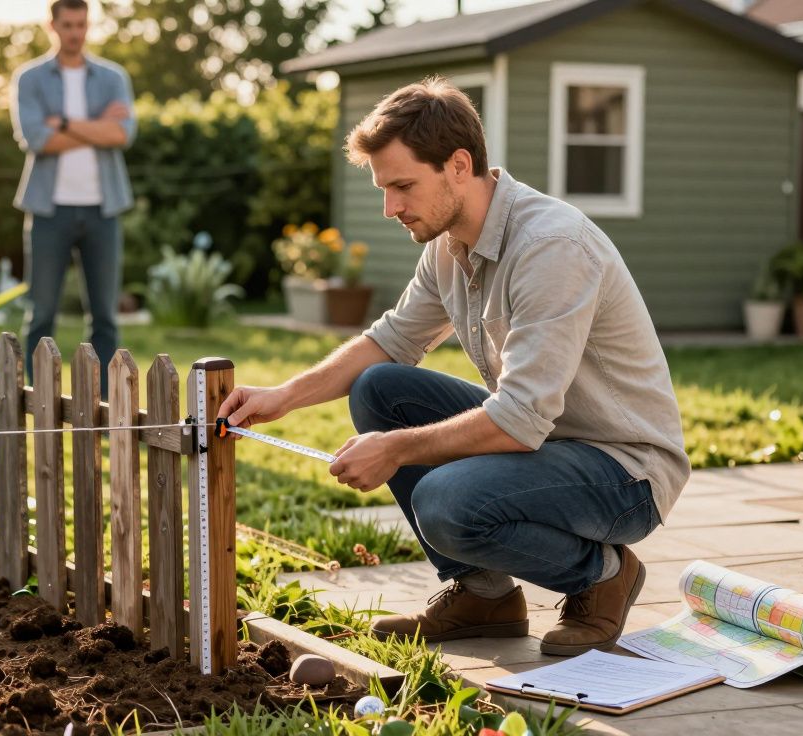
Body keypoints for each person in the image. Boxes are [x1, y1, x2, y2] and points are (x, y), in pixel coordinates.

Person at [218, 77, 689, 657]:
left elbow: (518, 420)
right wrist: (284, 396)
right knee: (379, 388)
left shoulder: (551, 246)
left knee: (445, 502)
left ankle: (602, 576)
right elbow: (389, 341)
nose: (391, 207)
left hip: (623, 473)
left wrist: (393, 450)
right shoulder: (447, 246)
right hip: (547, 445)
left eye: (403, 186)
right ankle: (484, 595)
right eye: (384, 189)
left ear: (458, 165)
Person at [11, 0, 136, 391]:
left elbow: (122, 135)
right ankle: (39, 398)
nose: (75, 33)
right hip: (49, 211)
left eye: (81, 24)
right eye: (68, 25)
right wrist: (98, 126)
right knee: (42, 313)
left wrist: (63, 122)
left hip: (104, 209)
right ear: (52, 26)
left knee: (105, 318)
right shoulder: (30, 78)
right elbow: (36, 140)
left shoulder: (113, 77)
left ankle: (98, 403)